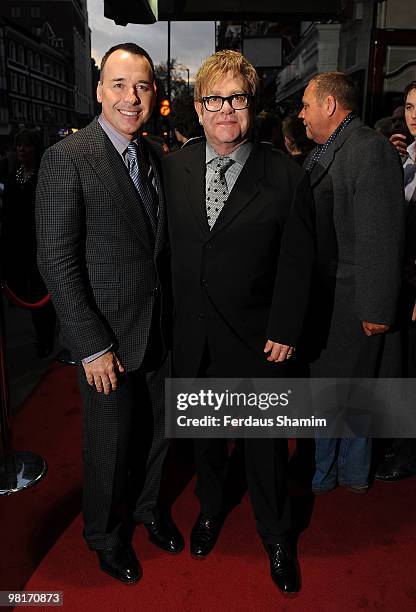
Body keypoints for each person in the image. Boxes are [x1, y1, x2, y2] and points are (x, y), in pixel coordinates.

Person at [163, 50, 316, 594]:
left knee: (265, 447)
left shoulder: (286, 175)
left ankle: (276, 536)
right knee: (205, 441)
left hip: (259, 341)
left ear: (252, 106)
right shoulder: (173, 168)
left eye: (237, 97)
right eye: (214, 99)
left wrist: (286, 329)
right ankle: (209, 510)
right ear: (198, 110)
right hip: (195, 337)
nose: (225, 108)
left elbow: (300, 262)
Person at [36, 43, 183, 584]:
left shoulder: (153, 157)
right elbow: (56, 260)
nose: (131, 96)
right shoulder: (67, 159)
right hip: (107, 339)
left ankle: (146, 509)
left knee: (158, 432)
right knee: (109, 443)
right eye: (119, 84)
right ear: (98, 90)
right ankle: (103, 534)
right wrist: (92, 346)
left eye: (142, 85)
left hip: (158, 330)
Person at [298, 72, 405, 494]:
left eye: (306, 104)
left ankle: (346, 474)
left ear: (329, 105)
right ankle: (329, 473)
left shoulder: (370, 150)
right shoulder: (332, 149)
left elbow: (382, 237)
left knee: (354, 395)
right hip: (334, 303)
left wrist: (378, 310)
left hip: (357, 305)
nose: (301, 113)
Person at [375, 80, 416, 481]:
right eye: (409, 106)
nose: (414, 114)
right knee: (400, 368)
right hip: (401, 279)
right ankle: (399, 447)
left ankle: (405, 453)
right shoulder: (405, 156)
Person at [1, 129, 56, 358]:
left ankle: (46, 339)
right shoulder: (12, 176)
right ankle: (40, 337)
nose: (22, 150)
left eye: (27, 145)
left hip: (39, 243)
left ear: (36, 149)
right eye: (19, 146)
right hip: (17, 244)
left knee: (41, 294)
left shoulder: (43, 175)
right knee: (28, 293)